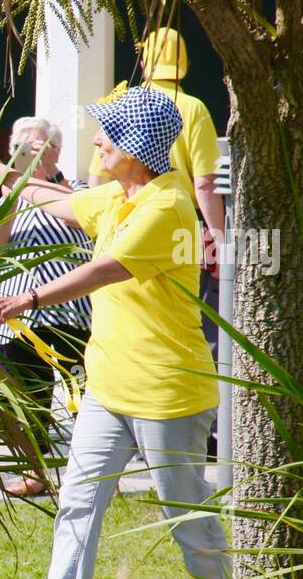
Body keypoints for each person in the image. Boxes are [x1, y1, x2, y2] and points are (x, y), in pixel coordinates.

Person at [0, 87, 230, 579]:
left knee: (186, 517)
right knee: (78, 503)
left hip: (166, 393)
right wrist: (8, 173)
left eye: (106, 134)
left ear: (136, 146)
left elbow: (102, 270)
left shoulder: (166, 207)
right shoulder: (118, 195)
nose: (95, 141)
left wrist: (28, 297)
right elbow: (60, 201)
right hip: (108, 390)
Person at [89, 29, 226, 354]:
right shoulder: (193, 108)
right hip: (182, 221)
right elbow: (205, 184)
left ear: (145, 59)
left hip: (125, 215)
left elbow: (96, 181)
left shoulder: (124, 104)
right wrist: (220, 240)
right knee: (186, 310)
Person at [0, 116, 93, 497]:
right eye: (19, 149)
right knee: (29, 400)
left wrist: (39, 181)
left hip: (72, 314)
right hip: (18, 316)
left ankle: (86, 473)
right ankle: (36, 473)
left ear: (57, 152)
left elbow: (85, 223)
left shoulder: (75, 191)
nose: (27, 154)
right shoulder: (9, 199)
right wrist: (11, 192)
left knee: (83, 396)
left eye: (37, 147)